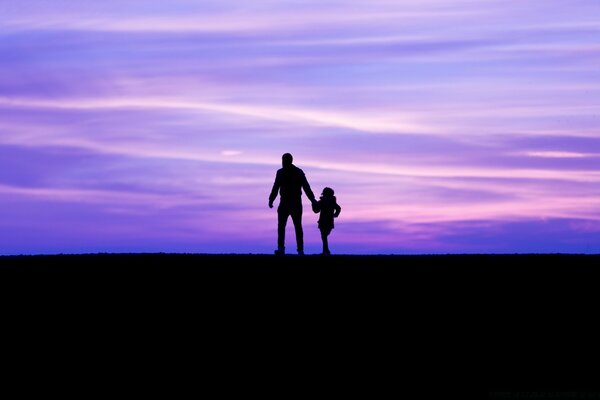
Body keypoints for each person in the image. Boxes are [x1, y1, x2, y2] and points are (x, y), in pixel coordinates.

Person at [269, 153, 316, 255]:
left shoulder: (295, 172)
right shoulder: (285, 172)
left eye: (284, 160)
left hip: (293, 203)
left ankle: (298, 250)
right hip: (288, 203)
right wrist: (271, 199)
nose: (283, 162)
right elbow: (276, 187)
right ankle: (285, 249)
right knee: (286, 226)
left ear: (288, 161)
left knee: (295, 226)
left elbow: (306, 187)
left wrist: (313, 200)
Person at [312, 187, 341, 255]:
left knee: (324, 236)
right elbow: (316, 210)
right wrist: (313, 204)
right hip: (323, 221)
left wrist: (335, 214)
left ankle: (326, 251)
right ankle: (326, 251)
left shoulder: (328, 202)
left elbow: (316, 210)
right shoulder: (324, 202)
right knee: (324, 236)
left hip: (327, 221)